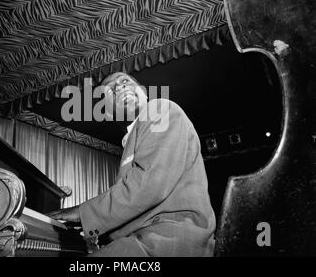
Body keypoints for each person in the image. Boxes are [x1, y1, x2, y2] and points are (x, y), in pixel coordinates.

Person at [49, 72, 216, 256]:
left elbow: (149, 184)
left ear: (144, 93)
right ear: (108, 111)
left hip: (169, 241)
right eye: (111, 89)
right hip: (145, 238)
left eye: (125, 81)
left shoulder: (160, 109)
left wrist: (84, 213)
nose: (120, 86)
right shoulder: (133, 136)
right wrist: (97, 234)